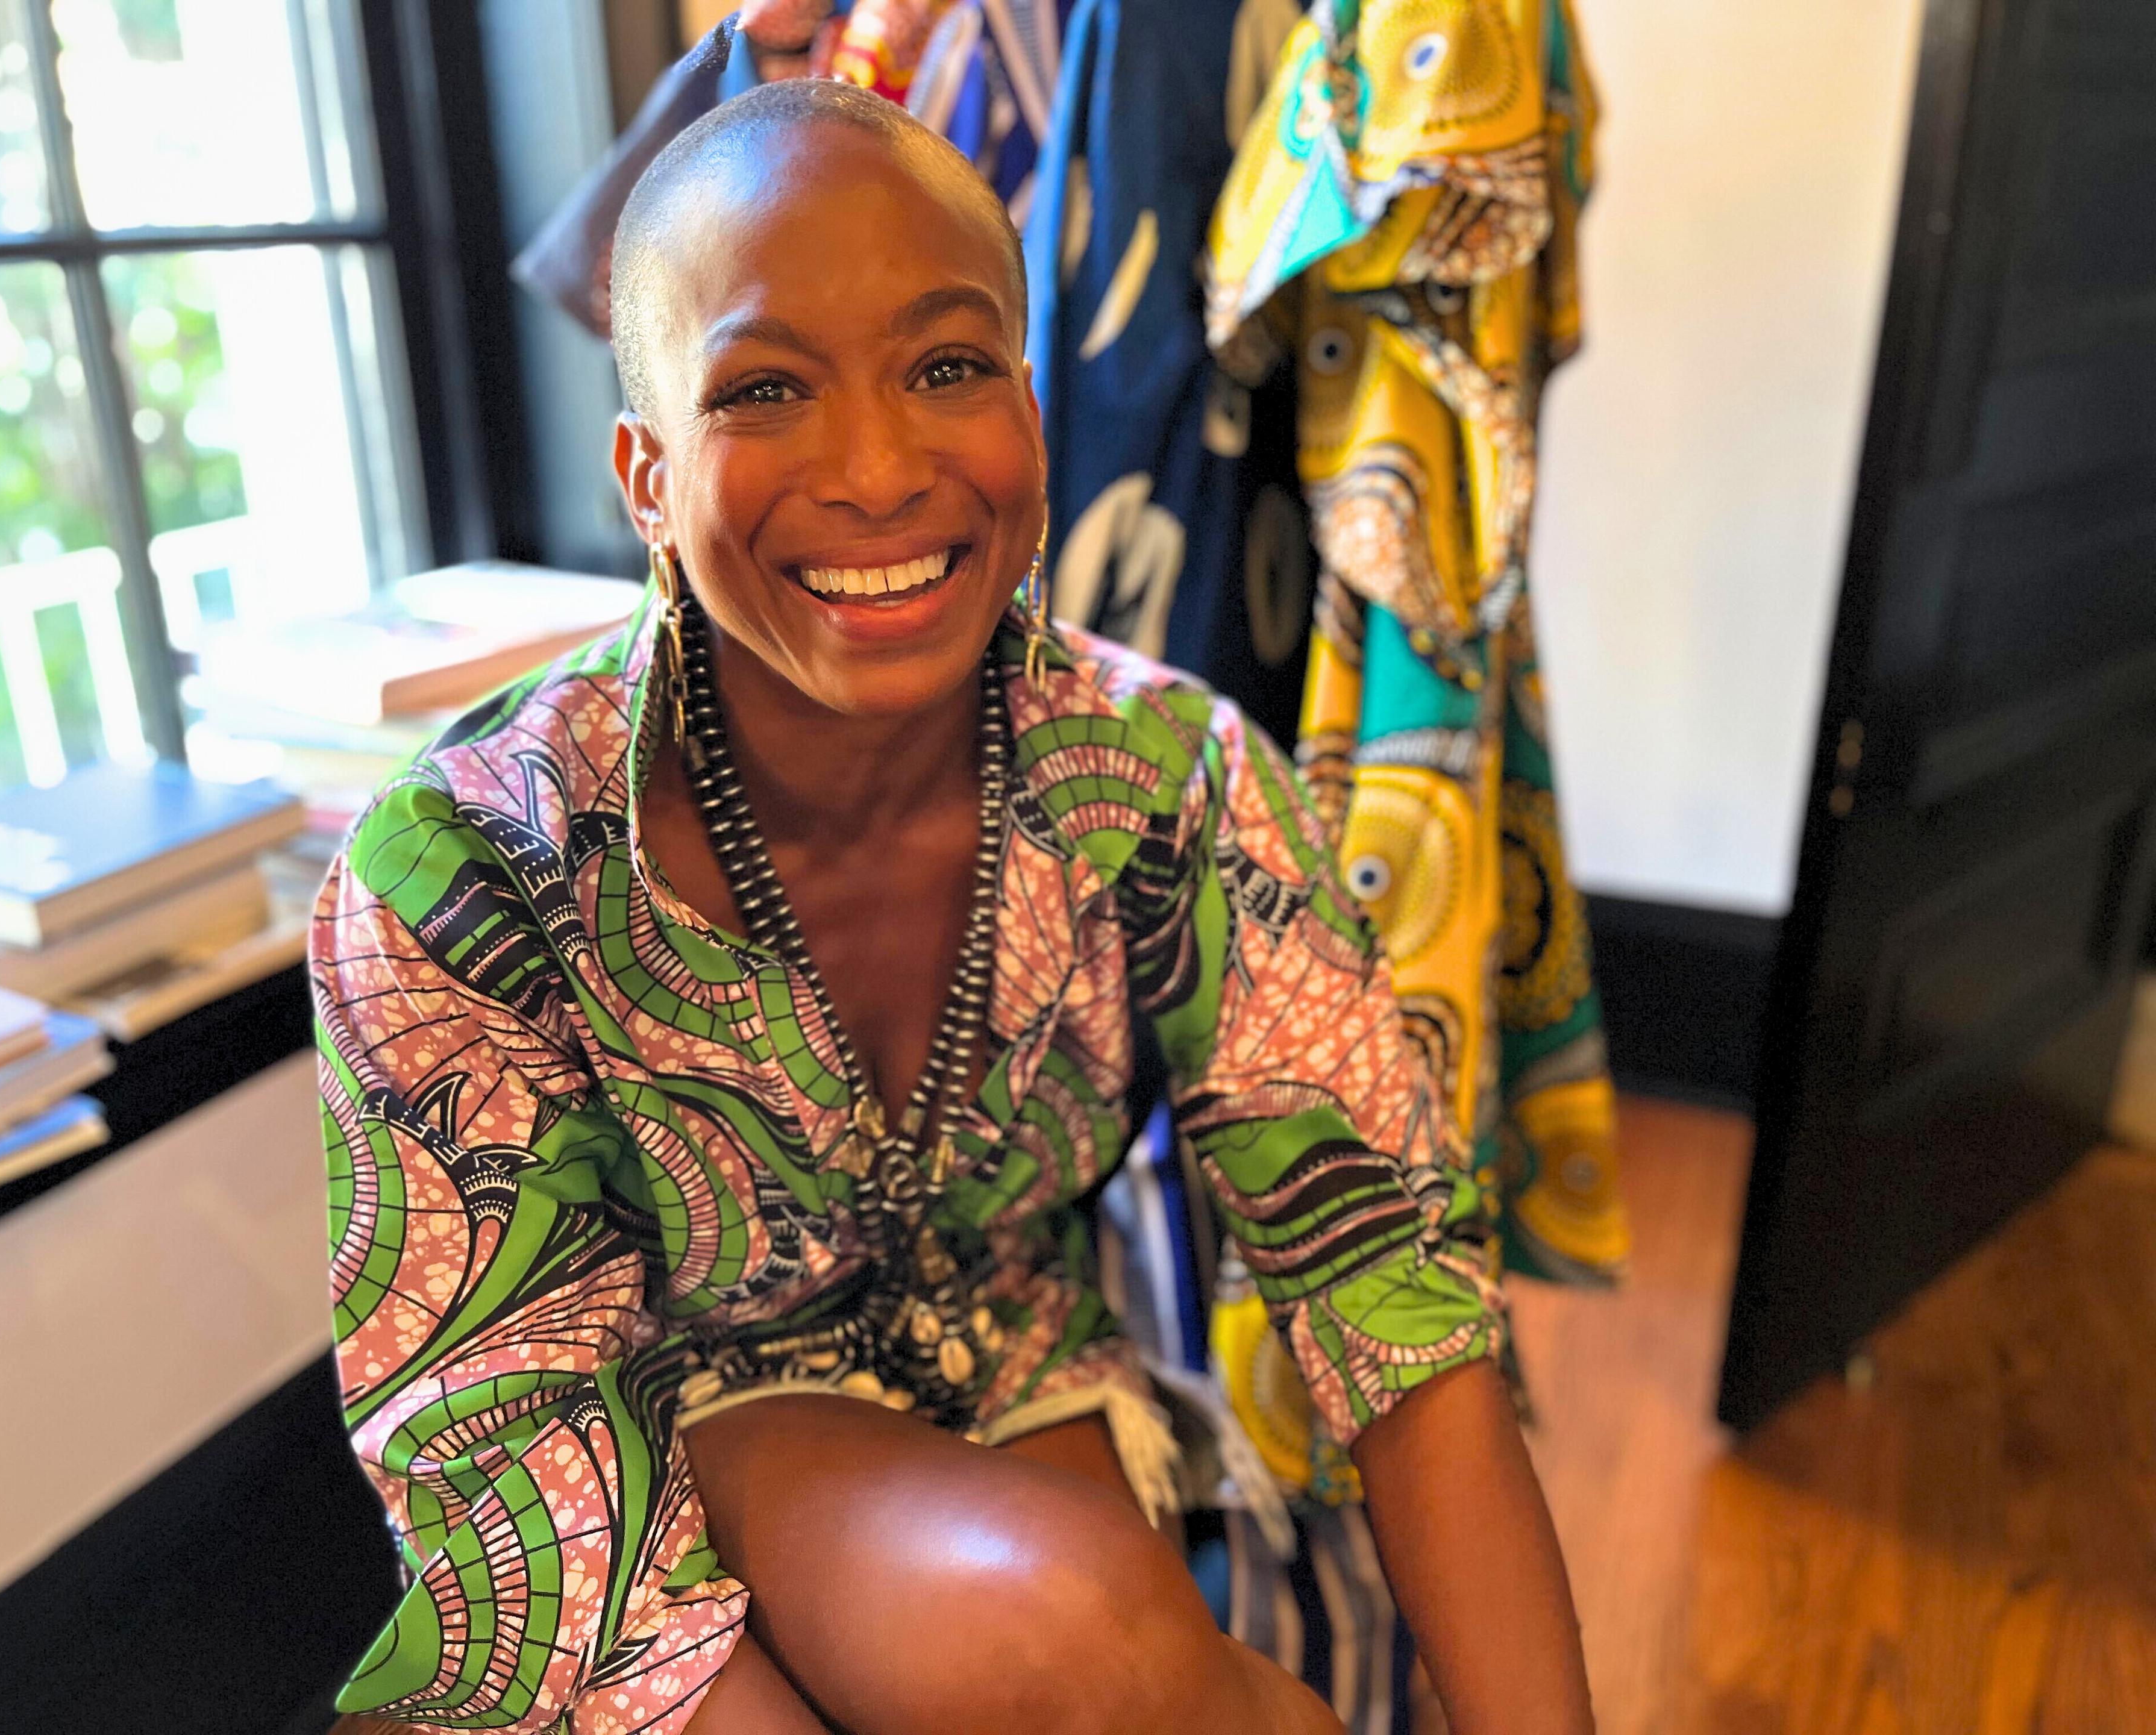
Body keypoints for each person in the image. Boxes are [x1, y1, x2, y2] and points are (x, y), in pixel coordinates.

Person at [315, 77, 1591, 1734]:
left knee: (1106, 1651)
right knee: (1082, 1648)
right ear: (645, 477)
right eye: (766, 388)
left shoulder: (1170, 782)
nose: (876, 466)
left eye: (947, 366)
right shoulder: (466, 873)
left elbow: (1391, 1293)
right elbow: (521, 1488)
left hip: (1016, 1372)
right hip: (649, 1433)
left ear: (1033, 405)